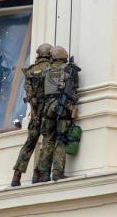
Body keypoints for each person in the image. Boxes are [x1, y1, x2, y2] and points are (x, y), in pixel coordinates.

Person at [11, 43, 53, 186]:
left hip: (34, 113)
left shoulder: (30, 71)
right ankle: (38, 174)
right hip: (47, 111)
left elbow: (28, 92)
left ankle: (16, 176)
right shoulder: (51, 69)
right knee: (47, 140)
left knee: (29, 144)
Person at [36, 46, 79, 182]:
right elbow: (75, 88)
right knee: (61, 139)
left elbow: (40, 91)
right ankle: (57, 172)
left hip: (47, 108)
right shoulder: (68, 70)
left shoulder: (45, 70)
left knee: (47, 140)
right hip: (62, 107)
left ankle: (43, 174)